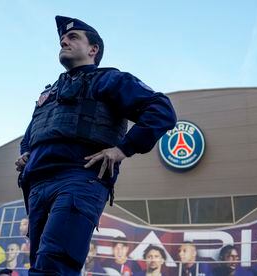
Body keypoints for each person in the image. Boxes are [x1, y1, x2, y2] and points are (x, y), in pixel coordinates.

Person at [15, 15, 176, 276]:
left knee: (54, 265)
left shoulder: (109, 80)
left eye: (73, 37)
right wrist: (25, 154)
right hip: (37, 186)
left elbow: (161, 110)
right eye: (62, 39)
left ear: (93, 49)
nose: (64, 41)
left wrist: (123, 149)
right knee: (40, 266)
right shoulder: (50, 92)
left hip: (79, 178)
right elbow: (31, 135)